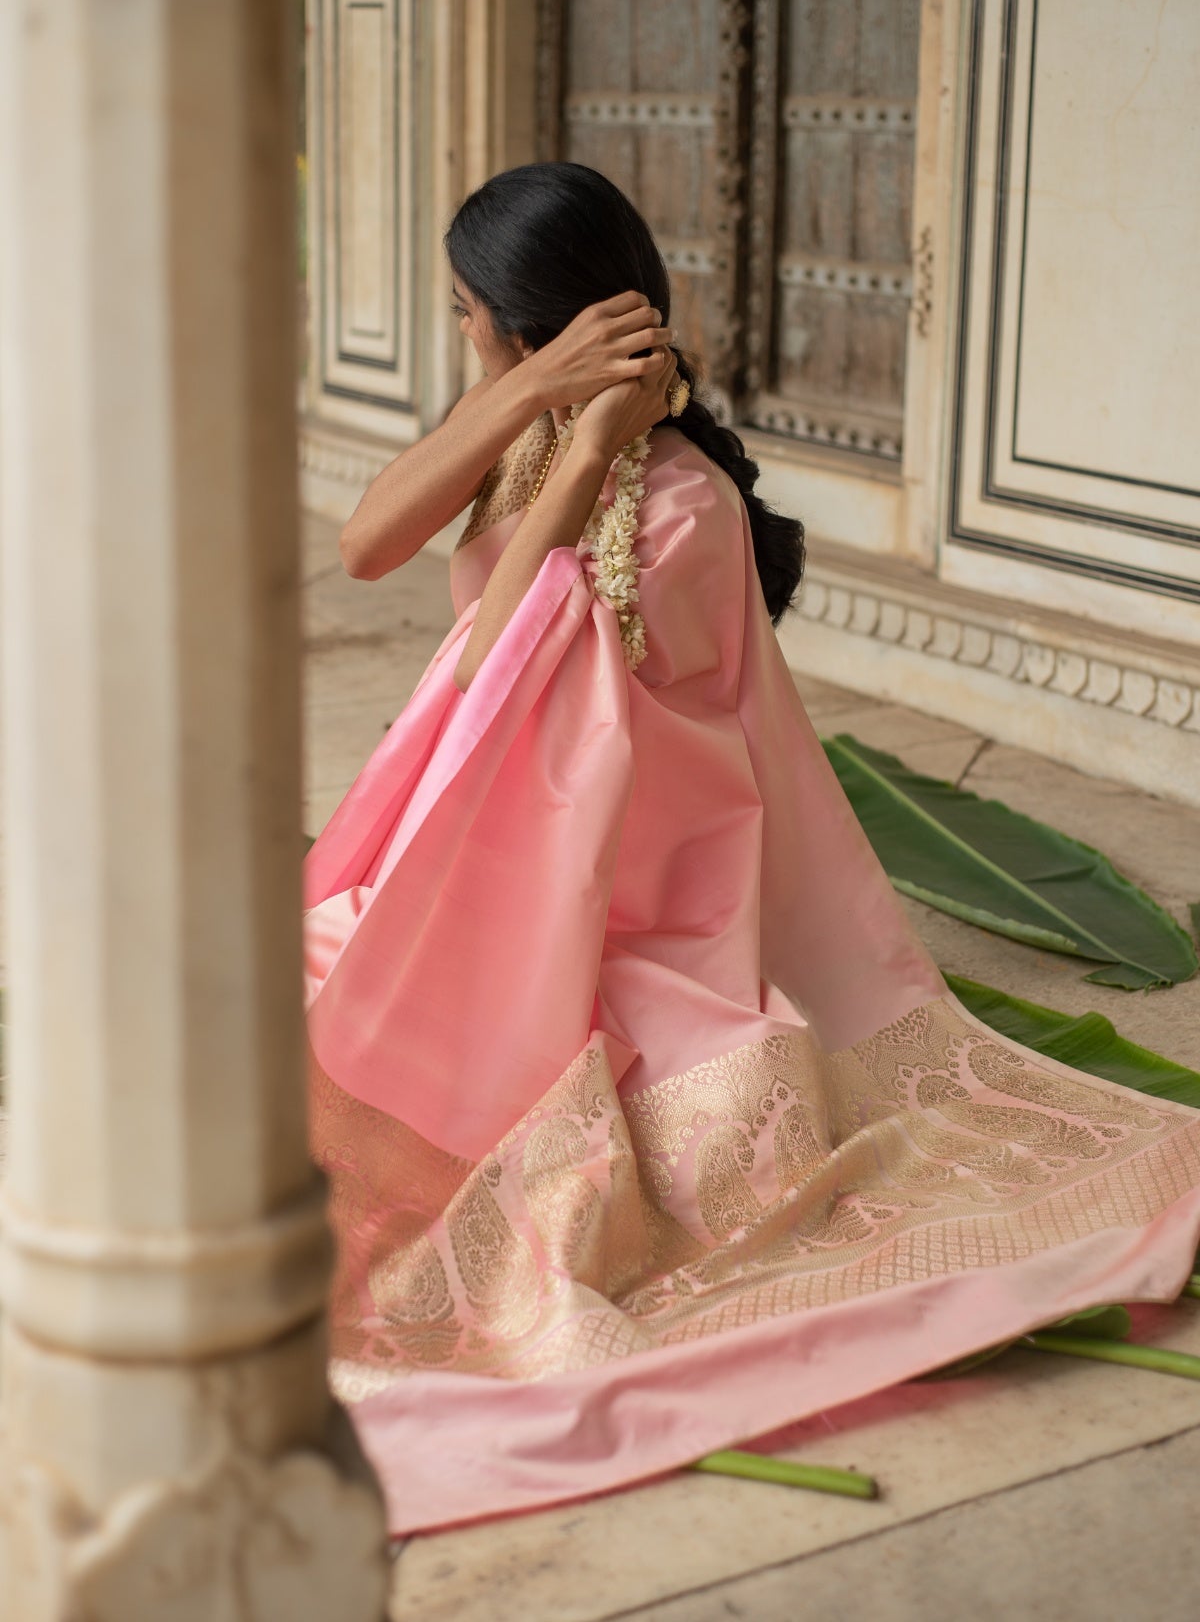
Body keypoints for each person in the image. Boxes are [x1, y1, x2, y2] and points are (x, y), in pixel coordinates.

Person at [304, 162, 1200, 1536]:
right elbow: (370, 546)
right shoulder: (522, 422)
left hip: (624, 887)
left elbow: (496, 666)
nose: (456, 335)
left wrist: (596, 438)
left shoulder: (679, 512)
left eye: (463, 316)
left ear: (508, 323)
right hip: (487, 814)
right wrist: (537, 400)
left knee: (624, 1143)